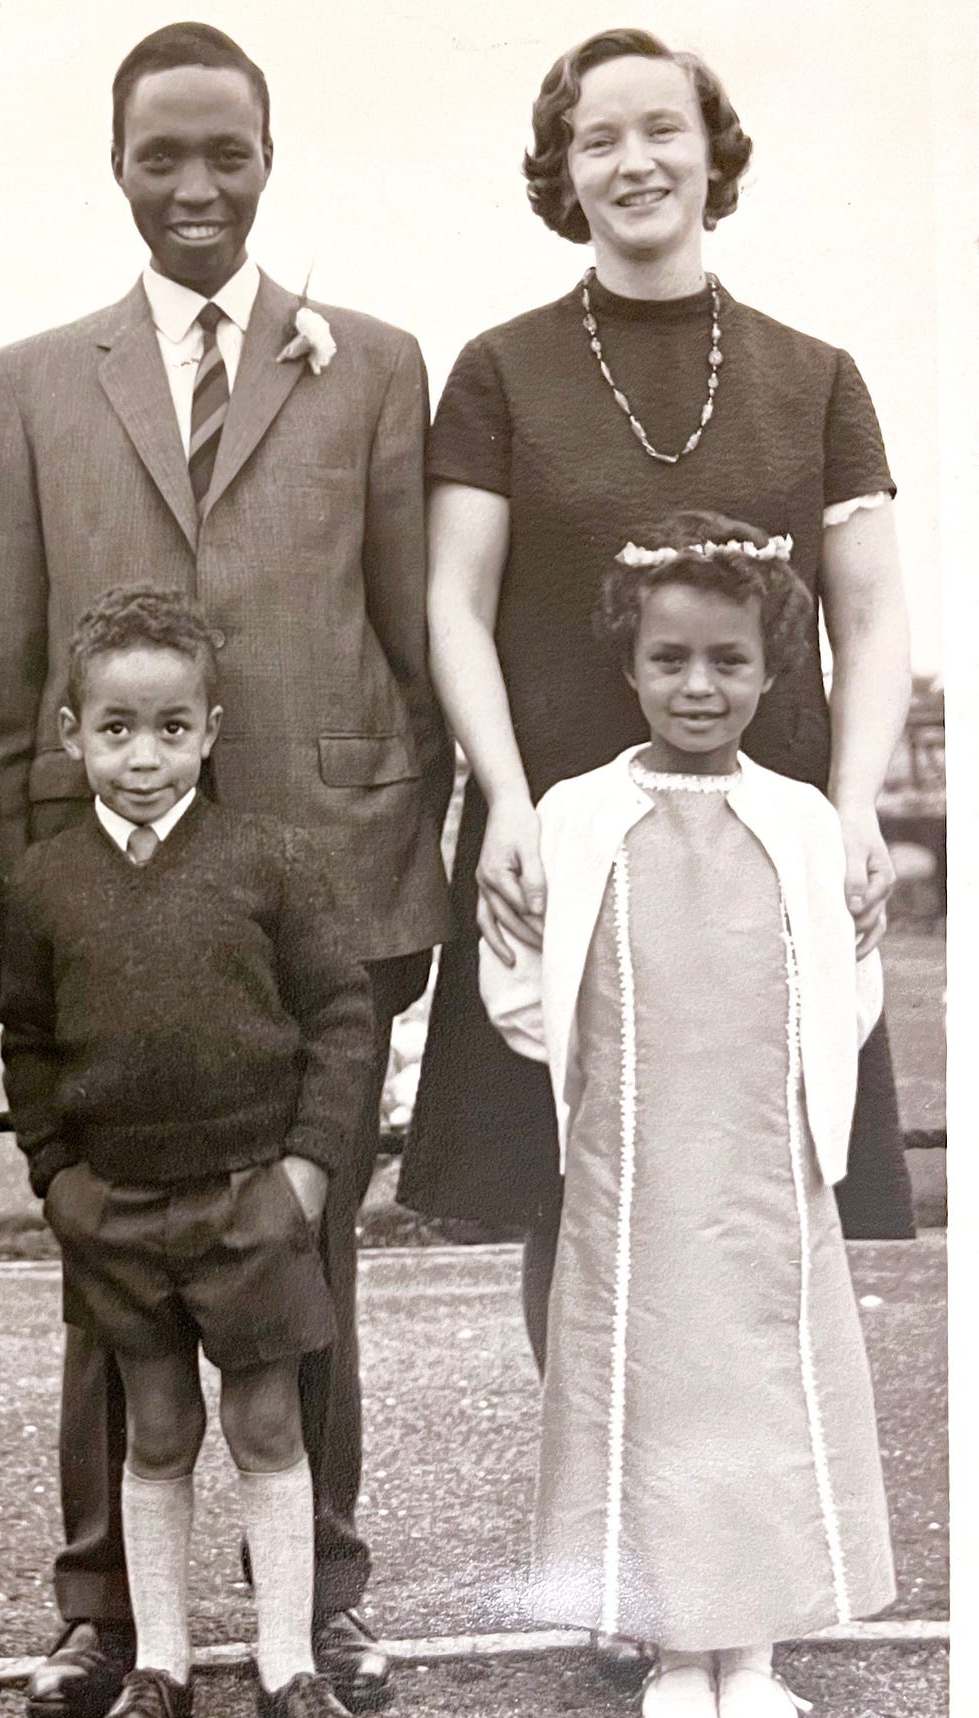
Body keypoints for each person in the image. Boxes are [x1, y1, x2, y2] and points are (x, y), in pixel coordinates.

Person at [0, 21, 451, 1718]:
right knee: (115, 1266)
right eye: (160, 153)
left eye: (224, 152)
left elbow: (408, 630)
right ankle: (105, 1608)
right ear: (116, 167)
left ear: (268, 160)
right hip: (99, 909)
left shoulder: (374, 363)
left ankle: (326, 1601)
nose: (193, 184)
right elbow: (1, 665)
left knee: (300, 1261)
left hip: (322, 886)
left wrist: (402, 859)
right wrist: (31, 904)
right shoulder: (34, 380)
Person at [398, 26, 915, 1377]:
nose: (636, 161)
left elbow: (868, 614)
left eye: (661, 128)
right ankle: (601, 1521)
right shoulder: (501, 371)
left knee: (755, 1176)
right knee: (575, 1183)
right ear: (562, 173)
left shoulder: (818, 376)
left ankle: (740, 1518)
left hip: (768, 831)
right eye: (599, 138)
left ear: (713, 151)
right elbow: (453, 599)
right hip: (565, 837)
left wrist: (854, 812)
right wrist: (501, 799)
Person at [479, 513, 895, 1718]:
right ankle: (668, 1633)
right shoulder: (574, 815)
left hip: (764, 1165)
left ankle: (753, 1642)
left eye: (726, 659)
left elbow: (847, 984)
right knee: (651, 1380)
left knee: (758, 1381)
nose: (698, 685)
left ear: (772, 669)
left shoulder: (807, 822)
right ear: (629, 665)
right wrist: (604, 1084)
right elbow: (519, 981)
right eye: (671, 659)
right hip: (631, 1162)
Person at [0, 585, 388, 1718]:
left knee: (268, 1422)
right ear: (72, 733)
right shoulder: (44, 879)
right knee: (157, 1428)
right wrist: (58, 1174)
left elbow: (340, 1016)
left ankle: (286, 1672)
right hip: (117, 1202)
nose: (143, 755)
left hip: (250, 1200)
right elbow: (28, 1042)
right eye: (115, 728)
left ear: (211, 730)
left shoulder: (272, 859)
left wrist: (309, 1173)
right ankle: (159, 1667)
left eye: (171, 728)